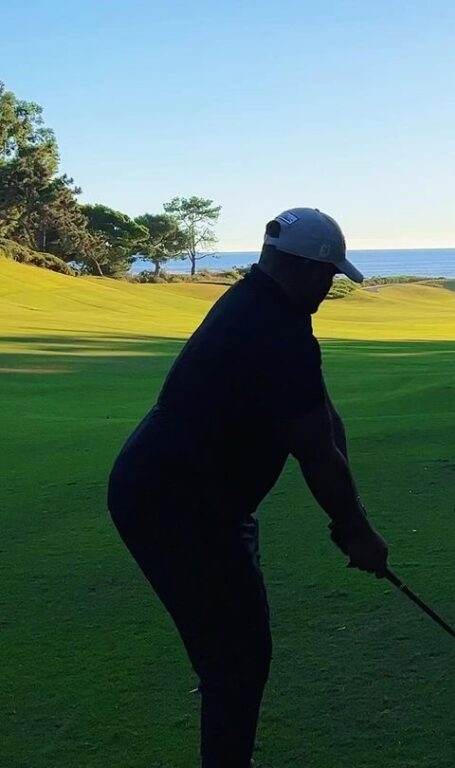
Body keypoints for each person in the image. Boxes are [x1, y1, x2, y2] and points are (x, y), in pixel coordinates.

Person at [107, 207, 389, 767]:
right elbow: (315, 453)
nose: (331, 285)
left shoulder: (267, 309)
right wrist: (356, 530)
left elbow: (324, 422)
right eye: (330, 275)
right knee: (236, 655)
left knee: (236, 645)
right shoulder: (272, 329)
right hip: (172, 503)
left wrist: (351, 520)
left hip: (188, 497)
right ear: (306, 270)